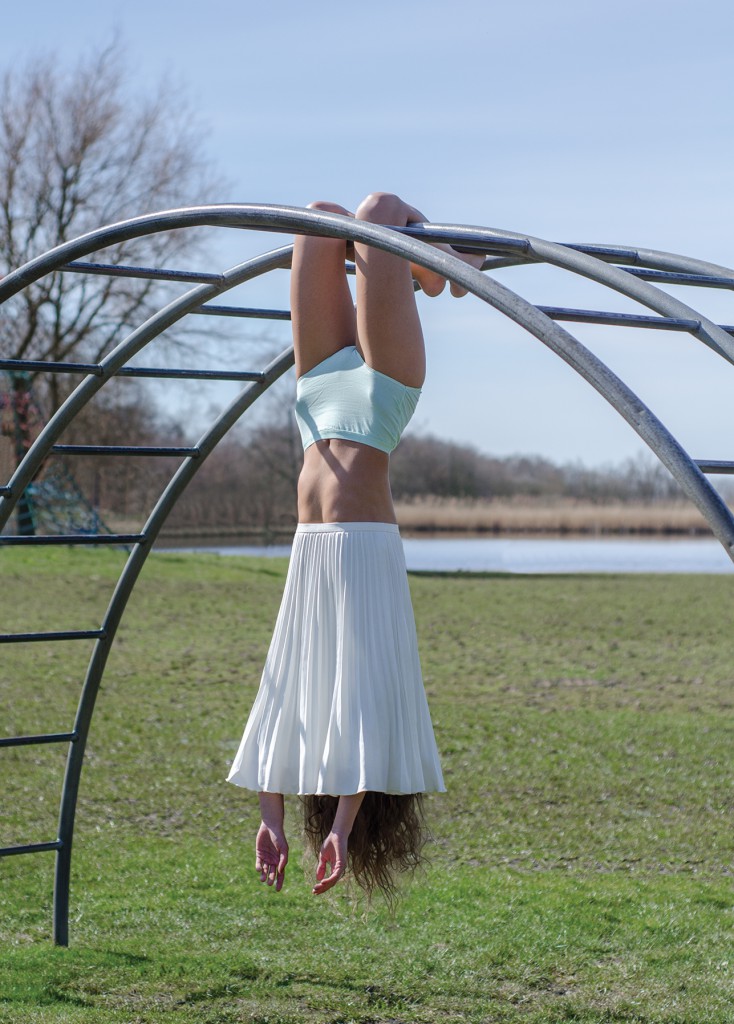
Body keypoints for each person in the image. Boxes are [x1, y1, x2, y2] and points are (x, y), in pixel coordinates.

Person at [227, 192, 484, 901]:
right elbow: (370, 728)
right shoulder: (376, 631)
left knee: (318, 217)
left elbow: (278, 716)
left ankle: (431, 269)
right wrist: (343, 828)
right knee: (376, 211)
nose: (335, 766)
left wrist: (272, 820)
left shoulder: (307, 652)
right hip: (377, 412)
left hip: (318, 414)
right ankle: (443, 269)